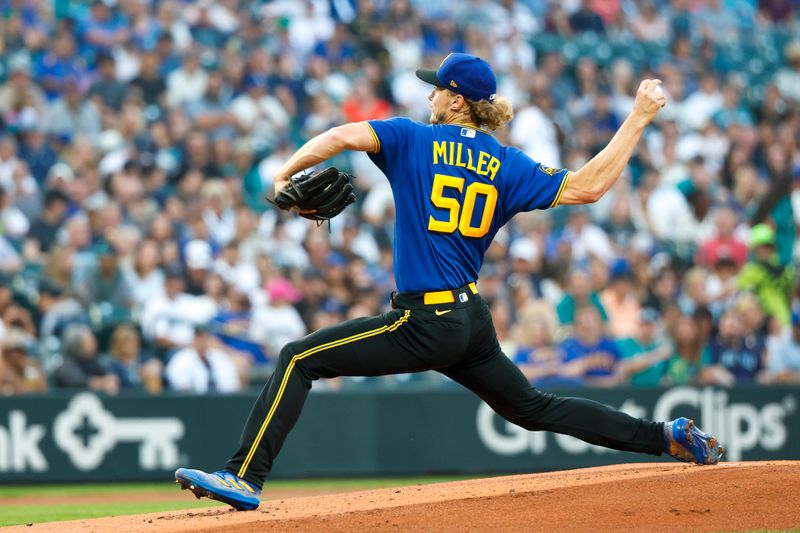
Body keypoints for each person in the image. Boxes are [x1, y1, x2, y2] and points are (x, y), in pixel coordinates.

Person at [176, 53, 723, 510]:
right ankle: (666, 437)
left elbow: (341, 135)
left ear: (457, 100)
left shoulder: (412, 139)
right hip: (469, 320)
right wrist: (638, 119)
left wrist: (282, 175)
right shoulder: (506, 163)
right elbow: (587, 188)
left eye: (438, 89)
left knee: (300, 358)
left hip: (425, 321)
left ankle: (243, 476)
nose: (431, 95)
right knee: (532, 407)